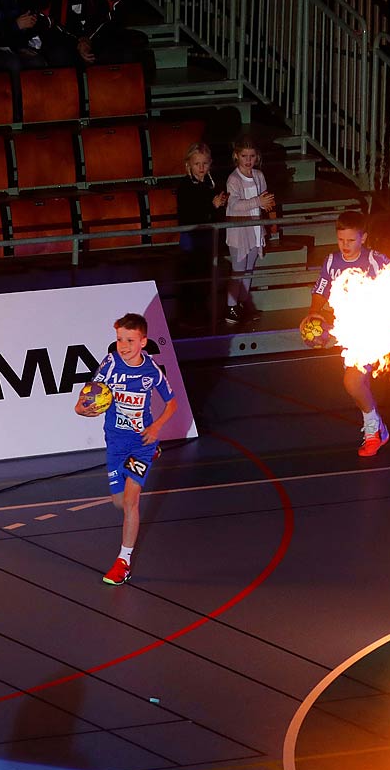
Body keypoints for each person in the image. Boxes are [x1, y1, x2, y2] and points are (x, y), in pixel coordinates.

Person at [75, 312, 177, 585]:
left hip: (141, 442)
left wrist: (156, 428)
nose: (123, 345)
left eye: (130, 340)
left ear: (143, 341)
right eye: (120, 339)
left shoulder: (151, 371)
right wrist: (85, 409)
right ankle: (150, 456)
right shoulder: (110, 365)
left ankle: (123, 561)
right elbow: (86, 398)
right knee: (119, 502)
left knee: (132, 501)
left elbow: (172, 404)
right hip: (116, 443)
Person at [309, 210, 390, 457]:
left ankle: (374, 431)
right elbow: (320, 291)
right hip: (350, 330)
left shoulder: (376, 261)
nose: (345, 246)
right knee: (360, 383)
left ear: (363, 238)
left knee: (352, 381)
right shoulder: (331, 262)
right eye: (341, 240)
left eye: (351, 240)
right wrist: (314, 314)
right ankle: (378, 427)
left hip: (375, 330)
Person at [174, 142, 228, 330]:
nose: (201, 168)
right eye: (197, 164)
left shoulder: (211, 184)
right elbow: (189, 215)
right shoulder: (185, 186)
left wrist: (219, 205)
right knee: (191, 280)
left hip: (208, 238)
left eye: (205, 163)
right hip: (192, 239)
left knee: (206, 278)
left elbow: (213, 213)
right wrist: (211, 206)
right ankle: (187, 318)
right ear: (189, 164)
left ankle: (204, 315)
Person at [222, 135, 274, 324]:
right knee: (238, 270)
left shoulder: (259, 175)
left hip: (255, 230)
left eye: (252, 156)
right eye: (244, 156)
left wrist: (267, 206)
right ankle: (231, 306)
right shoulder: (233, 179)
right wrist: (257, 202)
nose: (248, 160)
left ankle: (243, 303)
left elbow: (264, 197)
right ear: (237, 156)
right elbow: (234, 204)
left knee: (249, 270)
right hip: (239, 233)